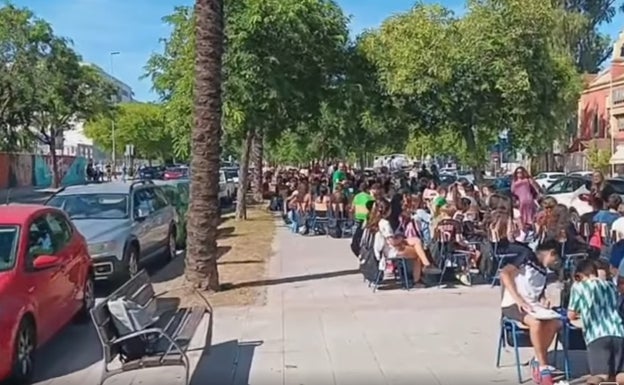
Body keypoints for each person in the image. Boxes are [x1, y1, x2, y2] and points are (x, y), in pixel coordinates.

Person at [499, 240, 562, 385]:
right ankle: (543, 366)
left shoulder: (544, 271)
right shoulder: (527, 257)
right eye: (555, 258)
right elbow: (505, 274)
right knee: (536, 323)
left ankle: (537, 360)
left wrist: (544, 300)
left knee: (555, 322)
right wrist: (519, 300)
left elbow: (538, 292)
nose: (555, 262)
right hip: (513, 304)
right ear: (551, 253)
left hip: (533, 306)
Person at [568, 260, 624, 385]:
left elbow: (571, 315)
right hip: (619, 332)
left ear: (580, 275)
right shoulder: (610, 285)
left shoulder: (579, 286)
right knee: (620, 374)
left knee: (600, 375)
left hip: (596, 335)